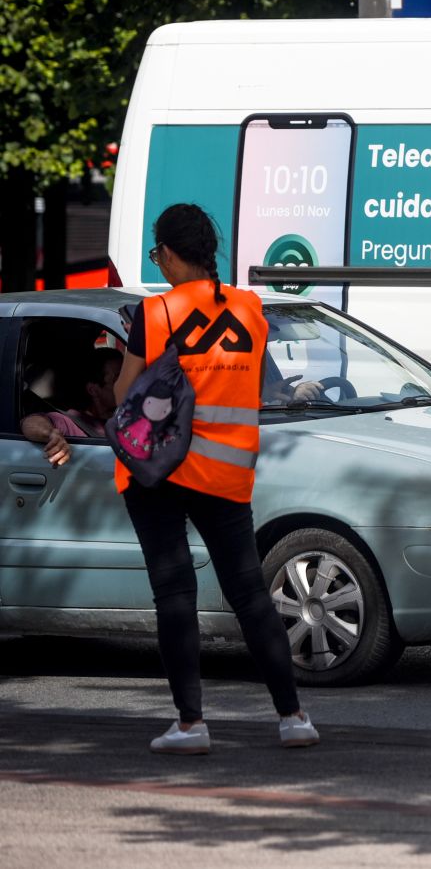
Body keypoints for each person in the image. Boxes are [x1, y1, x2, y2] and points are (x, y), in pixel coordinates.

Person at [111, 203, 319, 755]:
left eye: (159, 255)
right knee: (250, 595)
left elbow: (122, 398)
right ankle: (293, 716)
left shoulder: (155, 315)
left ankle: (190, 725)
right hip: (227, 472)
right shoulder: (251, 310)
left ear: (173, 254)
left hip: (162, 470)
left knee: (174, 593)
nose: (159, 265)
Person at [21, 346, 123, 467]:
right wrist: (51, 434)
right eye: (118, 378)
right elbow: (30, 422)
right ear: (93, 390)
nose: (129, 382)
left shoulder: (127, 416)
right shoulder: (71, 422)